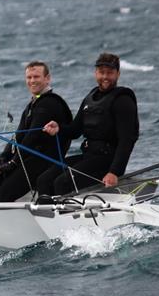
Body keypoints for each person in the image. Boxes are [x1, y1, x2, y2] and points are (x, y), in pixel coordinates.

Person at [37, 52, 139, 196]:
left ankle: (64, 215)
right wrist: (59, 128)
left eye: (110, 73)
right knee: (44, 179)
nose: (105, 77)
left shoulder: (123, 100)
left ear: (118, 74)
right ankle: (45, 213)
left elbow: (127, 140)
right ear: (95, 73)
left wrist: (114, 172)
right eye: (101, 72)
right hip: (88, 156)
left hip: (107, 162)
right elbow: (75, 130)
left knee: (62, 182)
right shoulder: (91, 97)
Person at [0, 61, 72, 202]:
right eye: (29, 77)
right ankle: (7, 199)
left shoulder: (49, 103)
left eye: (36, 77)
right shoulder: (32, 105)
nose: (32, 81)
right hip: (26, 158)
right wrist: (3, 157)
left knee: (2, 196)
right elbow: (18, 136)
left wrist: (12, 163)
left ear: (47, 78)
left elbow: (32, 138)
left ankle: (4, 198)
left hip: (43, 162)